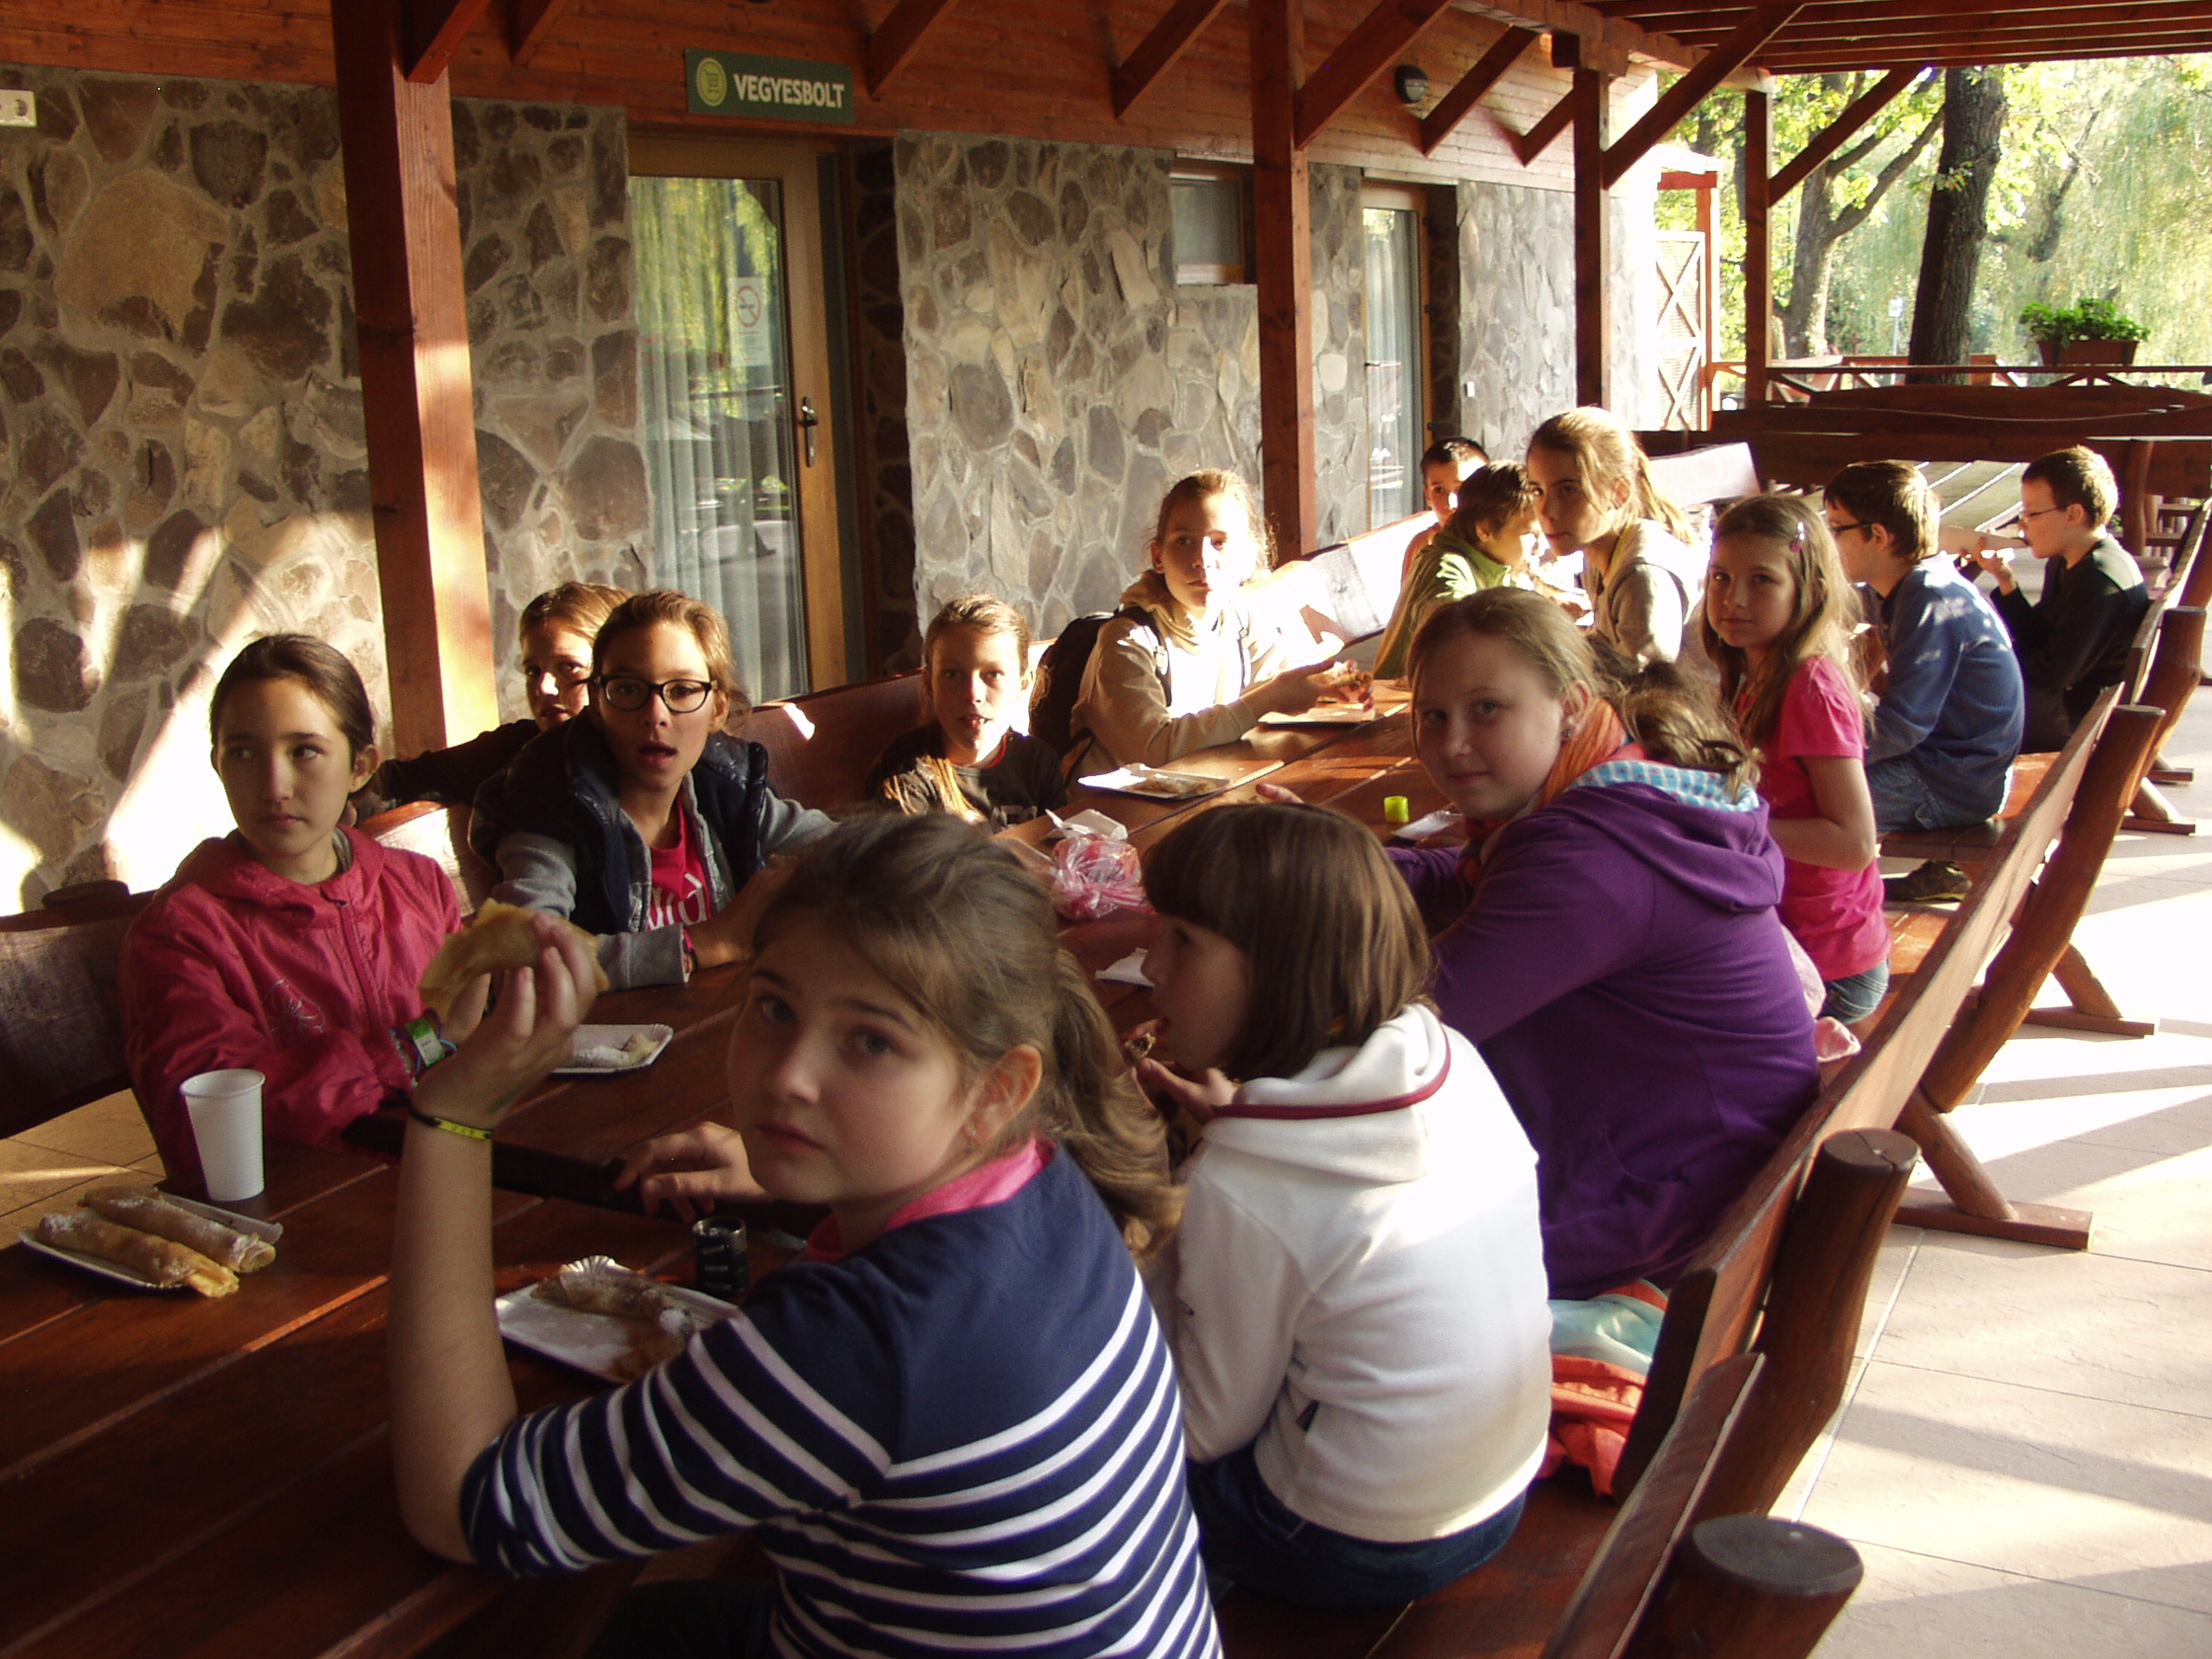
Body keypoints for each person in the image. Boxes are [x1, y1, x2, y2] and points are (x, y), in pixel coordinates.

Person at [385, 816, 1218, 1659]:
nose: (788, 1076)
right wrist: (788, 1179)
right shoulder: (1049, 1175)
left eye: (871, 1041)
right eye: (775, 1008)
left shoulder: (852, 1343)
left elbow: (462, 1502)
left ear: (996, 1090)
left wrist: (454, 1114)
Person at [1135, 802, 1550, 1610]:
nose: (1151, 965)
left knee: (1076, 1472)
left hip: (1349, 1540)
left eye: (1183, 939)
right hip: (1500, 1487)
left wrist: (1150, 1231)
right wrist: (1243, 1130)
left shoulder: (1242, 1185)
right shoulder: (1447, 1056)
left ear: (1284, 972)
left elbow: (1200, 1428)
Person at [1385, 590, 1818, 1299]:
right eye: (1432, 716)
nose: (1451, 744)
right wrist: (1327, 866)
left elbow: (1413, 1033)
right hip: (1704, 1160)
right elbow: (1475, 884)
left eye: (1486, 709)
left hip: (1664, 1209)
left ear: (1572, 705)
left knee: (1341, 1250)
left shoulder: (1590, 853)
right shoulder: (1629, 783)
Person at [119, 635, 477, 1188]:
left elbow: (470, 1052)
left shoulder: (416, 884)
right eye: (243, 753)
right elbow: (216, 1130)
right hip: (306, 1205)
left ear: (360, 766)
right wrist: (416, 1045)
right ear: (218, 764)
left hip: (444, 1174)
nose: (273, 786)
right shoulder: (183, 934)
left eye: (304, 751)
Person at [470, 589, 832, 989]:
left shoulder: (726, 783)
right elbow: (521, 957)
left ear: (718, 708)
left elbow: (852, 847)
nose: (655, 715)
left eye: (682, 690)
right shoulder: (549, 800)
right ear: (596, 702)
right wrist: (704, 943)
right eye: (628, 689)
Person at [1702, 496, 1890, 1025]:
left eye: (1762, 580)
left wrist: (1728, 826)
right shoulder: (1755, 674)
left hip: (1829, 966)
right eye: (1720, 578)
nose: (1734, 598)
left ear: (1809, 592)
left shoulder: (1808, 687)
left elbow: (1854, 843)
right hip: (1791, 941)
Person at [1823, 461, 2024, 905]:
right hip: (1961, 768)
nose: (1827, 541)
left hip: (1952, 782)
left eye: (1835, 529)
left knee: (1796, 801)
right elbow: (1845, 607)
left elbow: (1902, 726)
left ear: (1877, 536)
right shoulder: (1911, 583)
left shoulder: (1927, 599)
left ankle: (1824, 912)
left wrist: (1821, 758)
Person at [1070, 471, 1346, 769]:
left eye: (1219, 542)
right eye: (1184, 540)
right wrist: (1265, 700)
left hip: (1207, 785)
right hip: (1118, 799)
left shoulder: (1239, 619)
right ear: (1158, 556)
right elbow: (1151, 750)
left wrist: (1336, 685)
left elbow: (1285, 684)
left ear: (1249, 557)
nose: (1202, 559)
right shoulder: (1130, 639)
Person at [353, 582, 627, 817]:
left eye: (568, 667)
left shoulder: (643, 763)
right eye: (533, 671)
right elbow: (395, 783)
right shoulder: (514, 751)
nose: (543, 688)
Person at [1963, 445, 2151, 753]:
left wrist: (1994, 655)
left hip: (2074, 720)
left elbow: (2054, 672)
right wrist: (2005, 580)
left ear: (2073, 515)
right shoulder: (2070, 560)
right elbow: (2042, 635)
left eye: (2031, 513)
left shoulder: (2100, 580)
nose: (2022, 524)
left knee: (1958, 675)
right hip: (2061, 704)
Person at [1526, 408, 1707, 667]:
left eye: (1568, 490)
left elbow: (1647, 683)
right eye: (1537, 491)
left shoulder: (1641, 574)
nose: (1546, 511)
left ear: (1619, 493)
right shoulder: (1598, 553)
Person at [865, 593, 1066, 827]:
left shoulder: (1039, 764)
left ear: (1023, 684)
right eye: (952, 674)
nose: (972, 694)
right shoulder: (904, 773)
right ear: (929, 684)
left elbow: (1060, 842)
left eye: (993, 674)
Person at [1373, 463, 1539, 679]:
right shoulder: (1445, 567)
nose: (1540, 546)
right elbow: (1452, 634)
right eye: (1531, 534)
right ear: (1484, 529)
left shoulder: (1500, 565)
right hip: (1406, 693)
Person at [1398, 436, 1490, 567]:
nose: (1451, 503)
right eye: (1439, 490)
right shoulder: (1424, 546)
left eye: (1461, 489)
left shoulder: (1503, 541)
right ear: (1428, 495)